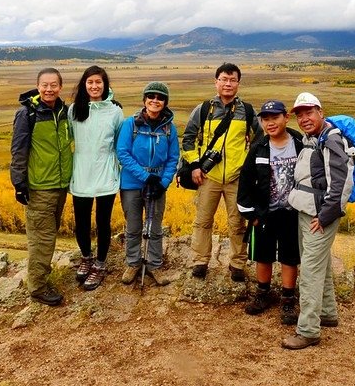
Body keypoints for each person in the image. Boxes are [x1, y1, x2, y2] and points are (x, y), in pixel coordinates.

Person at [282, 92, 355, 350]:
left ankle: (308, 330)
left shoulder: (331, 141)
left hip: (319, 215)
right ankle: (327, 313)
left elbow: (341, 183)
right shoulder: (315, 139)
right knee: (320, 266)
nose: (304, 119)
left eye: (309, 112)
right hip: (309, 211)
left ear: (321, 112)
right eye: (300, 114)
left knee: (311, 272)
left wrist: (325, 216)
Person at [181, 62, 262, 281]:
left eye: (232, 80)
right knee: (203, 221)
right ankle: (200, 261)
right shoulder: (204, 108)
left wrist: (250, 166)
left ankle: (237, 264)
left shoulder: (247, 110)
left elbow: (261, 139)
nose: (228, 84)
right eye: (224, 79)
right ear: (216, 81)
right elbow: (188, 139)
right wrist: (196, 165)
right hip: (208, 176)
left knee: (237, 223)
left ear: (238, 83)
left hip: (237, 178)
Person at [10, 67, 73, 307]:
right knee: (42, 238)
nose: (49, 89)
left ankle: (40, 280)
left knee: (49, 234)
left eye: (54, 85)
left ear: (60, 87)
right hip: (39, 187)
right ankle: (37, 288)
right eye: (45, 85)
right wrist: (19, 183)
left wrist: (109, 102)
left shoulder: (63, 111)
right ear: (38, 86)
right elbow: (18, 149)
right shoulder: (28, 113)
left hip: (60, 186)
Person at [236, 100, 303, 324]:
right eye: (265, 119)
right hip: (264, 213)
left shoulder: (301, 143)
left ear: (286, 117)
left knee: (289, 257)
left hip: (293, 213)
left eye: (275, 117)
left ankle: (287, 299)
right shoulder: (259, 147)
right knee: (262, 255)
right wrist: (251, 215)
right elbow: (245, 182)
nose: (270, 122)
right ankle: (263, 293)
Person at [116, 81, 180, 286]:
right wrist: (146, 177)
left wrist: (163, 182)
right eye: (151, 96)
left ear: (165, 102)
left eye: (160, 97)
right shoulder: (130, 124)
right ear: (144, 100)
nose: (155, 100)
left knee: (155, 227)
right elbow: (123, 153)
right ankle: (133, 263)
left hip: (158, 183)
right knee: (133, 226)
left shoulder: (170, 129)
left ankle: (154, 265)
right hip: (132, 183)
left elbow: (173, 158)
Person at [68, 65, 124, 291]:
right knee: (80, 222)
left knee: (103, 222)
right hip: (81, 172)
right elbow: (68, 138)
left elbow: (120, 143)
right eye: (90, 82)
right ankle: (86, 257)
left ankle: (100, 264)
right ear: (84, 85)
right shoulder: (74, 110)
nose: (94, 86)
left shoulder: (115, 111)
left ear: (105, 85)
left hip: (105, 174)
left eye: (98, 82)